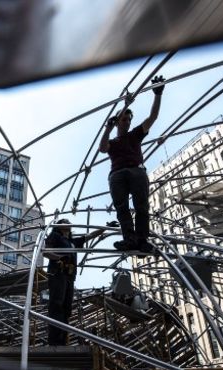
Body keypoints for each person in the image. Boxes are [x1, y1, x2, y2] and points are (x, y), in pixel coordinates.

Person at [99, 75, 165, 252]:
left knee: (141, 205)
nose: (127, 122)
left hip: (136, 171)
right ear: (118, 121)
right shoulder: (112, 141)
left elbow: (153, 117)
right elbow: (102, 148)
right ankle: (130, 238)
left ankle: (141, 239)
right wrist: (108, 128)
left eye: (129, 120)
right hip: (118, 173)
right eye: (124, 119)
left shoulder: (136, 134)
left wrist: (157, 94)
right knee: (122, 207)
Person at [43, 219, 104, 345]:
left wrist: (104, 228)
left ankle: (63, 339)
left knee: (67, 308)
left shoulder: (72, 242)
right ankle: (54, 340)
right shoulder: (55, 236)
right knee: (57, 304)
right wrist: (59, 257)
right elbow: (46, 252)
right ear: (58, 226)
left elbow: (89, 236)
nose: (67, 222)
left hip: (70, 276)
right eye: (64, 221)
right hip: (58, 272)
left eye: (68, 221)